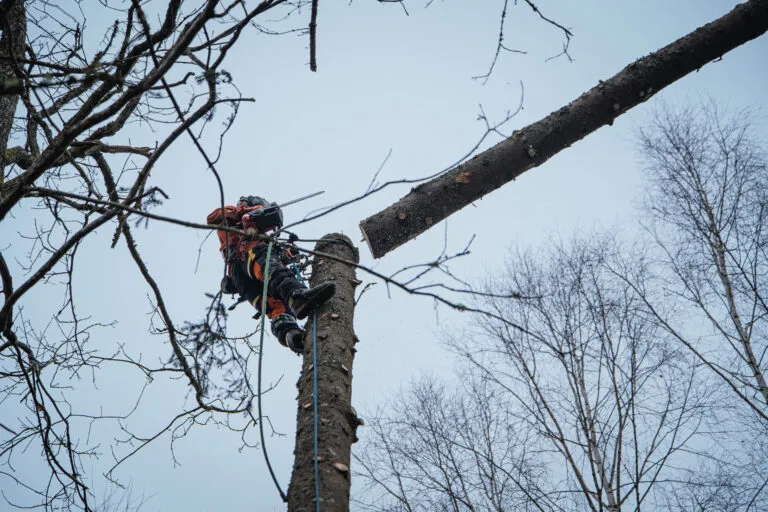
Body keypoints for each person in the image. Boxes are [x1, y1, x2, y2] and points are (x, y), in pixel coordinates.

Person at [207, 195, 335, 354]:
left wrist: (287, 253)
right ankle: (297, 296)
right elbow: (212, 218)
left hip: (243, 278)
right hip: (246, 257)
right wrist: (244, 210)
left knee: (275, 305)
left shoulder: (261, 236)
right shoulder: (233, 218)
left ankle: (290, 334)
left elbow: (277, 255)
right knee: (274, 272)